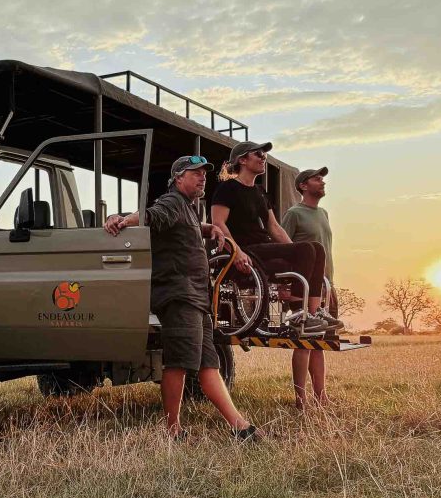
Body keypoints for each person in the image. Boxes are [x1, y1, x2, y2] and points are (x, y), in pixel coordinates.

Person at [105, 155, 259, 441]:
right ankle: (173, 431)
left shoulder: (187, 208)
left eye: (203, 173)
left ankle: (239, 426)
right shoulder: (173, 201)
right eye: (195, 173)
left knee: (208, 364)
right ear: (178, 178)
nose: (202, 177)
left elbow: (184, 225)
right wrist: (123, 220)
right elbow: (151, 216)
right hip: (178, 296)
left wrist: (209, 228)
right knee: (178, 363)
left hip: (196, 296)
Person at [209, 141, 341, 337]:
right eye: (258, 154)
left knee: (316, 249)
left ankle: (313, 312)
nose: (264, 157)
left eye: (264, 154)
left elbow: (274, 228)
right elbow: (218, 223)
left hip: (264, 247)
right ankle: (297, 311)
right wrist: (237, 252)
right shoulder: (227, 189)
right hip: (246, 248)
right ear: (242, 160)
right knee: (306, 249)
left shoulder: (260, 192)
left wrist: (301, 252)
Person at [281, 167, 337, 408]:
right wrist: (283, 286)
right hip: (300, 287)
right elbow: (283, 249)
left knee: (319, 341)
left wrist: (331, 285)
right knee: (304, 340)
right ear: (304, 186)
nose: (322, 181)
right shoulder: (294, 213)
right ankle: (300, 399)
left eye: (322, 178)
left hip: (324, 286)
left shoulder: (323, 213)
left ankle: (321, 396)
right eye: (316, 178)